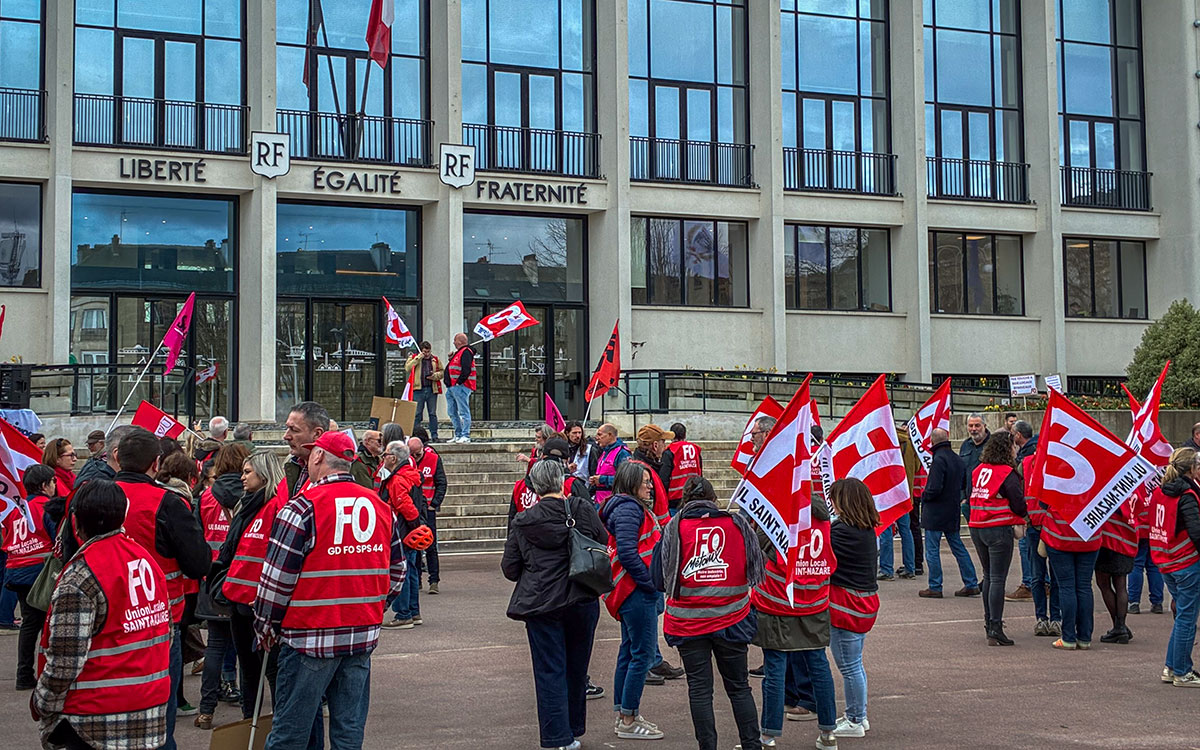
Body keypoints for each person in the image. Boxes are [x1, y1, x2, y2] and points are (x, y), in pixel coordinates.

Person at [253, 430, 406, 750]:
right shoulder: (380, 507)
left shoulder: (301, 507)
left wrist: (266, 626)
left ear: (319, 457)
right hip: (360, 634)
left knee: (289, 731)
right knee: (348, 732)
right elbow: (398, 571)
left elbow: (275, 582)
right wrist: (374, 607)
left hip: (310, 635)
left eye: (310, 455)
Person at [32, 480, 172, 750]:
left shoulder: (81, 575)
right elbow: (166, 632)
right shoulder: (145, 561)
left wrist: (42, 701)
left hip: (93, 720)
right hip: (149, 711)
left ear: (74, 521)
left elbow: (65, 659)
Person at [114, 427, 211, 750]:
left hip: (108, 615)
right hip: (157, 617)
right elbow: (198, 562)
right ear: (156, 463)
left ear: (116, 458)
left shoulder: (87, 494)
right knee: (159, 709)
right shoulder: (167, 502)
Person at [503, 458, 606, 750]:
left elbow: (510, 569)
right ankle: (571, 728)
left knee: (549, 669)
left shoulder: (524, 521)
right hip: (581, 595)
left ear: (534, 488)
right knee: (577, 666)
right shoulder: (582, 509)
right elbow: (600, 539)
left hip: (542, 601)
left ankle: (557, 736)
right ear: (562, 481)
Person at [656, 477, 765, 750]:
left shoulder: (675, 526)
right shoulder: (737, 524)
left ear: (684, 500)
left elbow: (658, 577)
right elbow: (756, 568)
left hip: (688, 622)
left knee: (700, 689)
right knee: (739, 687)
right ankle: (752, 744)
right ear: (713, 498)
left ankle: (708, 746)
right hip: (732, 618)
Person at [749, 476, 839, 750]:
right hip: (813, 600)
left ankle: (768, 735)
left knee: (775, 670)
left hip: (778, 600)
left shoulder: (781, 514)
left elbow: (758, 544)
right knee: (819, 666)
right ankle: (828, 733)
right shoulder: (823, 517)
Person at [215, 450, 285, 720]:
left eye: (247, 472)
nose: (242, 477)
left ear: (264, 474)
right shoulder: (247, 504)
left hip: (261, 601)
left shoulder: (275, 507)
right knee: (248, 665)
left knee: (272, 667)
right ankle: (249, 717)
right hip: (238, 598)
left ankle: (278, 721)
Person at [600, 461, 665, 739]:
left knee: (629, 652)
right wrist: (650, 584)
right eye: (645, 481)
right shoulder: (629, 509)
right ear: (631, 483)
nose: (650, 486)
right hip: (635, 591)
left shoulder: (625, 507)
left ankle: (626, 713)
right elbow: (628, 552)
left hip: (629, 591)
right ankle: (628, 718)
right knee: (642, 654)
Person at [194, 443, 248, 729]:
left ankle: (206, 710)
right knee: (248, 650)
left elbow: (197, 535)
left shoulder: (204, 497)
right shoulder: (251, 496)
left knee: (215, 646)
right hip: (242, 577)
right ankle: (248, 716)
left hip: (212, 578)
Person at [828, 478, 881, 739]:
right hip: (863, 601)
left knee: (849, 666)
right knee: (854, 664)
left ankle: (855, 719)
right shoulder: (865, 528)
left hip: (847, 603)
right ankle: (857, 713)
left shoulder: (841, 532)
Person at [965, 431, 1026, 646]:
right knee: (999, 578)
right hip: (998, 526)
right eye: (1013, 447)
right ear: (1007, 449)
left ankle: (988, 623)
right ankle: (996, 626)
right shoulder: (1007, 473)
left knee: (989, 576)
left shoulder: (978, 470)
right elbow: (1018, 503)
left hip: (977, 525)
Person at [1148, 447, 1200, 686]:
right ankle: (1181, 671)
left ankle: (1172, 667)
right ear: (1192, 469)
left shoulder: (1161, 490)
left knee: (1182, 616)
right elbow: (1195, 531)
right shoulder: (1187, 494)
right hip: (1186, 561)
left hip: (1166, 559)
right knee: (1187, 617)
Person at [4, 464, 58, 690]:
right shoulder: (45, 507)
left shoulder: (16, 509)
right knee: (50, 623)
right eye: (53, 482)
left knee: (29, 624)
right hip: (39, 571)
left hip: (15, 569)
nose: (55, 486)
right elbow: (57, 538)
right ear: (45, 486)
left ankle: (23, 673)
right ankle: (49, 672)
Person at [1041, 454, 1103, 651]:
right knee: (1084, 586)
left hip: (1060, 536)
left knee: (1067, 587)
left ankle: (1068, 637)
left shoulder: (1057, 477)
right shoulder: (1097, 479)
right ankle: (1084, 637)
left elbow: (1043, 502)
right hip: (1088, 537)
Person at [919, 428, 980, 598]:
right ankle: (971, 582)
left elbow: (934, 487)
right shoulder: (957, 459)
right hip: (952, 508)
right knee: (957, 546)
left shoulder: (939, 459)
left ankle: (935, 585)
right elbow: (963, 483)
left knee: (932, 549)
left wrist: (925, 496)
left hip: (935, 511)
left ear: (933, 441)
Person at [283, 400, 373, 494]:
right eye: (287, 428)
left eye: (294, 430)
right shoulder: (293, 466)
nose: (286, 436)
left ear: (317, 434)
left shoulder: (348, 467)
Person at [381, 440, 425, 630]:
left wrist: (412, 525)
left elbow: (405, 506)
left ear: (393, 457)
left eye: (386, 455)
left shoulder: (398, 479)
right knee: (412, 570)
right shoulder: (411, 474)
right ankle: (413, 612)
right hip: (412, 529)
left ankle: (403, 614)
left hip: (402, 530)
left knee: (402, 571)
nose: (383, 458)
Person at [1020, 449, 1062, 637]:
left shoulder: (1058, 463)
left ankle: (1055, 618)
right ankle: (1041, 618)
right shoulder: (1026, 463)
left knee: (1056, 576)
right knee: (1037, 576)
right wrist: (1025, 517)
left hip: (1053, 527)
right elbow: (1018, 490)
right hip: (1035, 527)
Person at [1096, 500, 1138, 645]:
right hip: (1127, 537)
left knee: (1103, 583)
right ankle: (1121, 625)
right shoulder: (1133, 487)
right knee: (1121, 584)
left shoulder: (1110, 488)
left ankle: (1119, 626)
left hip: (1109, 538)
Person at [409, 436, 447, 593]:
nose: (415, 458)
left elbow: (441, 482)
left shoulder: (433, 459)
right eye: (412, 455)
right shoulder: (408, 461)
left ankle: (434, 580)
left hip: (427, 509)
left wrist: (434, 505)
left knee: (430, 546)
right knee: (414, 545)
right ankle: (417, 579)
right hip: (413, 509)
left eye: (417, 454)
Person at [1007, 421, 1039, 602]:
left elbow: (1018, 477)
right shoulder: (1034, 449)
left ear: (1018, 435)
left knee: (1026, 546)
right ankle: (1040, 582)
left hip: (1030, 508)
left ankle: (1029, 583)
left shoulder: (1027, 455)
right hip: (1035, 508)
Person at [1129, 487, 1165, 615]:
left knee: (1136, 565)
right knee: (1154, 566)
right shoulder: (1159, 483)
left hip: (1139, 528)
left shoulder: (1137, 483)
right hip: (1154, 528)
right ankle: (1157, 602)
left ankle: (1133, 602)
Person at [407, 341, 444, 442]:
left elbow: (442, 372)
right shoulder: (414, 358)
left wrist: (434, 376)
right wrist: (418, 358)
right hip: (418, 389)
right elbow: (408, 368)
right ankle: (415, 435)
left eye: (428, 352)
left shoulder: (435, 359)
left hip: (431, 389)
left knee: (432, 413)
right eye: (424, 352)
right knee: (417, 413)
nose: (426, 354)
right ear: (421, 351)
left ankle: (434, 435)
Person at [664, 423, 703, 516]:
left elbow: (664, 479)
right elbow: (700, 473)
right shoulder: (695, 450)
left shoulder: (670, 452)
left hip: (674, 499)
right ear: (685, 435)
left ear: (671, 435)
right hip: (693, 497)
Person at [445, 332, 477, 443]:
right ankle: (458, 434)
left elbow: (466, 369)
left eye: (455, 340)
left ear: (459, 341)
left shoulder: (466, 352)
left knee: (463, 411)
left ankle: (465, 435)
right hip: (453, 387)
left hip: (460, 387)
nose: (453, 342)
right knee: (452, 412)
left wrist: (459, 382)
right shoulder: (459, 353)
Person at [590, 424, 631, 506]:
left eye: (600, 434)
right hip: (600, 501)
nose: (597, 437)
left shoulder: (622, 453)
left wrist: (602, 479)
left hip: (613, 502)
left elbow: (626, 478)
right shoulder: (604, 452)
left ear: (610, 435)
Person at [958, 415, 990, 515]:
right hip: (968, 502)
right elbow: (961, 473)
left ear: (984, 426)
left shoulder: (993, 444)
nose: (973, 429)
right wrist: (962, 497)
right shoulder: (965, 445)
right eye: (970, 426)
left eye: (977, 426)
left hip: (987, 502)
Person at [565, 421, 596, 486]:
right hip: (567, 487)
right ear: (567, 433)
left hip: (584, 487)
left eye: (579, 432)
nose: (578, 436)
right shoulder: (563, 448)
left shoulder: (589, 449)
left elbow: (594, 473)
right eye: (574, 433)